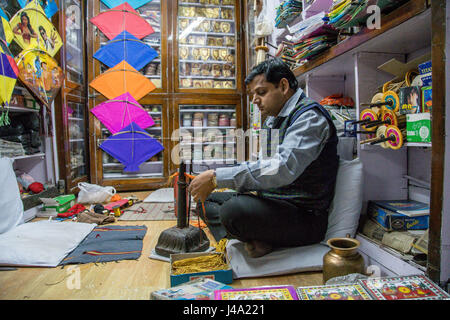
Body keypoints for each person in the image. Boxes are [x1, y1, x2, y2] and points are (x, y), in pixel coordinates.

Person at [188, 58, 339, 258]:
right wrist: (214, 181)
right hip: (274, 203)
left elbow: (281, 168)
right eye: (253, 95)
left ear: (283, 86)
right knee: (204, 200)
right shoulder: (273, 120)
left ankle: (253, 238)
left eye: (261, 92)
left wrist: (218, 177)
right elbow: (263, 165)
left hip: (304, 215)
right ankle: (257, 240)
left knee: (233, 211)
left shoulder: (309, 117)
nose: (255, 101)